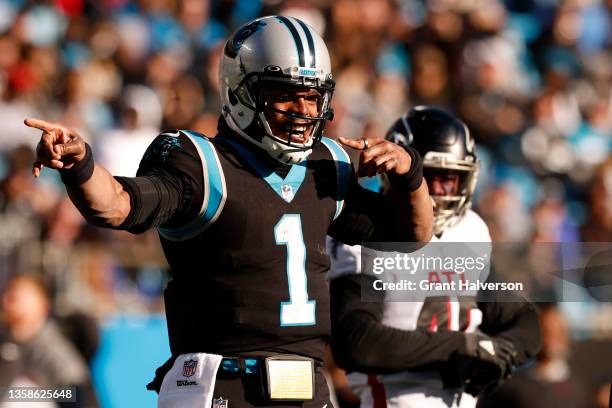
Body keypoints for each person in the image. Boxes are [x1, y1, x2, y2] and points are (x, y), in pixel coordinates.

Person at [25, 16, 433, 407]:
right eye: (285, 93)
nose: (304, 110)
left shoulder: (324, 167)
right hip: (220, 383)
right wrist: (80, 165)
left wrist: (410, 178)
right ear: (241, 91)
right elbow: (118, 206)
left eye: (312, 95)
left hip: (306, 386)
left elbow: (411, 236)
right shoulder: (200, 163)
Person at [327, 106, 541, 407]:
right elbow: (357, 343)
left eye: (450, 179)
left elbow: (524, 320)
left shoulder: (470, 231)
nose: (439, 190)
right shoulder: (369, 232)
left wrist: (497, 354)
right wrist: (462, 347)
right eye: (430, 176)